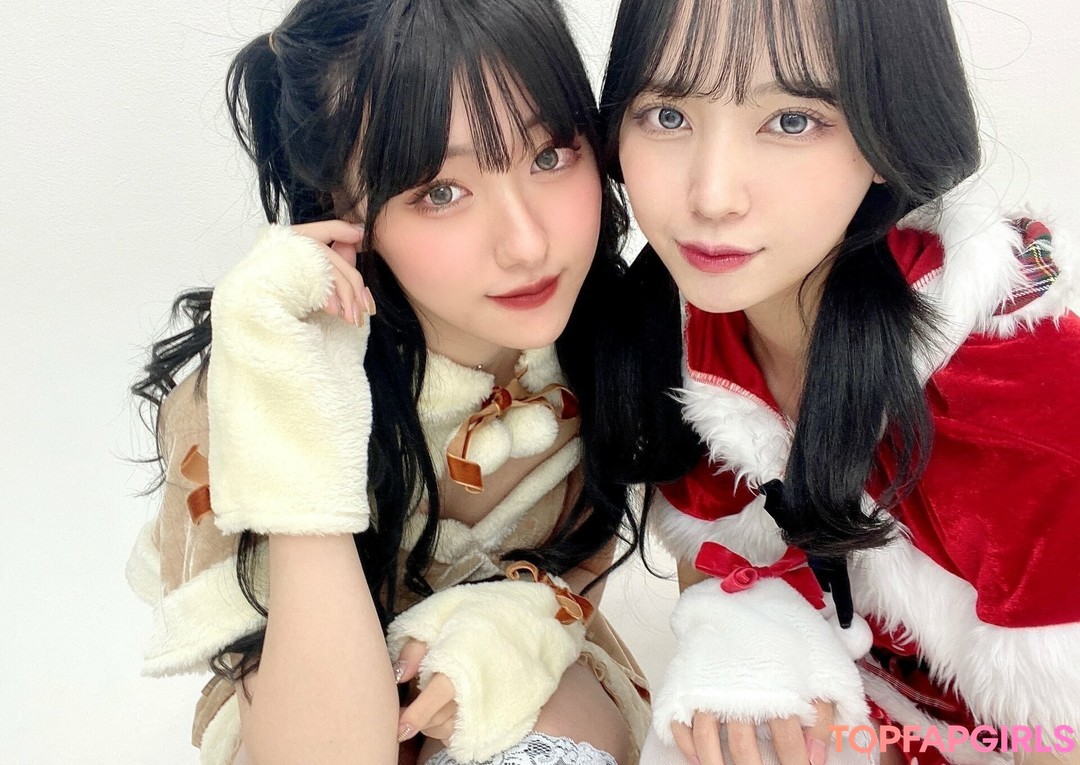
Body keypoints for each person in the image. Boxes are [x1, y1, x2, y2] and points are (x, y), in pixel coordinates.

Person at [126, 1, 691, 762]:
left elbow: (577, 563)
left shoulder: (616, 338)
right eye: (440, 192)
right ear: (343, 205)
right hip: (299, 678)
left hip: (524, 655)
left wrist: (516, 628)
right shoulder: (257, 389)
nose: (527, 244)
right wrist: (299, 422)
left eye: (549, 155)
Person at [597, 0, 1080, 764]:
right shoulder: (688, 328)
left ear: (890, 130)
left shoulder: (1014, 382)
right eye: (667, 115)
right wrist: (744, 655)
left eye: (791, 121)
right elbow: (718, 578)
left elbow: (1058, 721)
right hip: (858, 704)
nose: (712, 195)